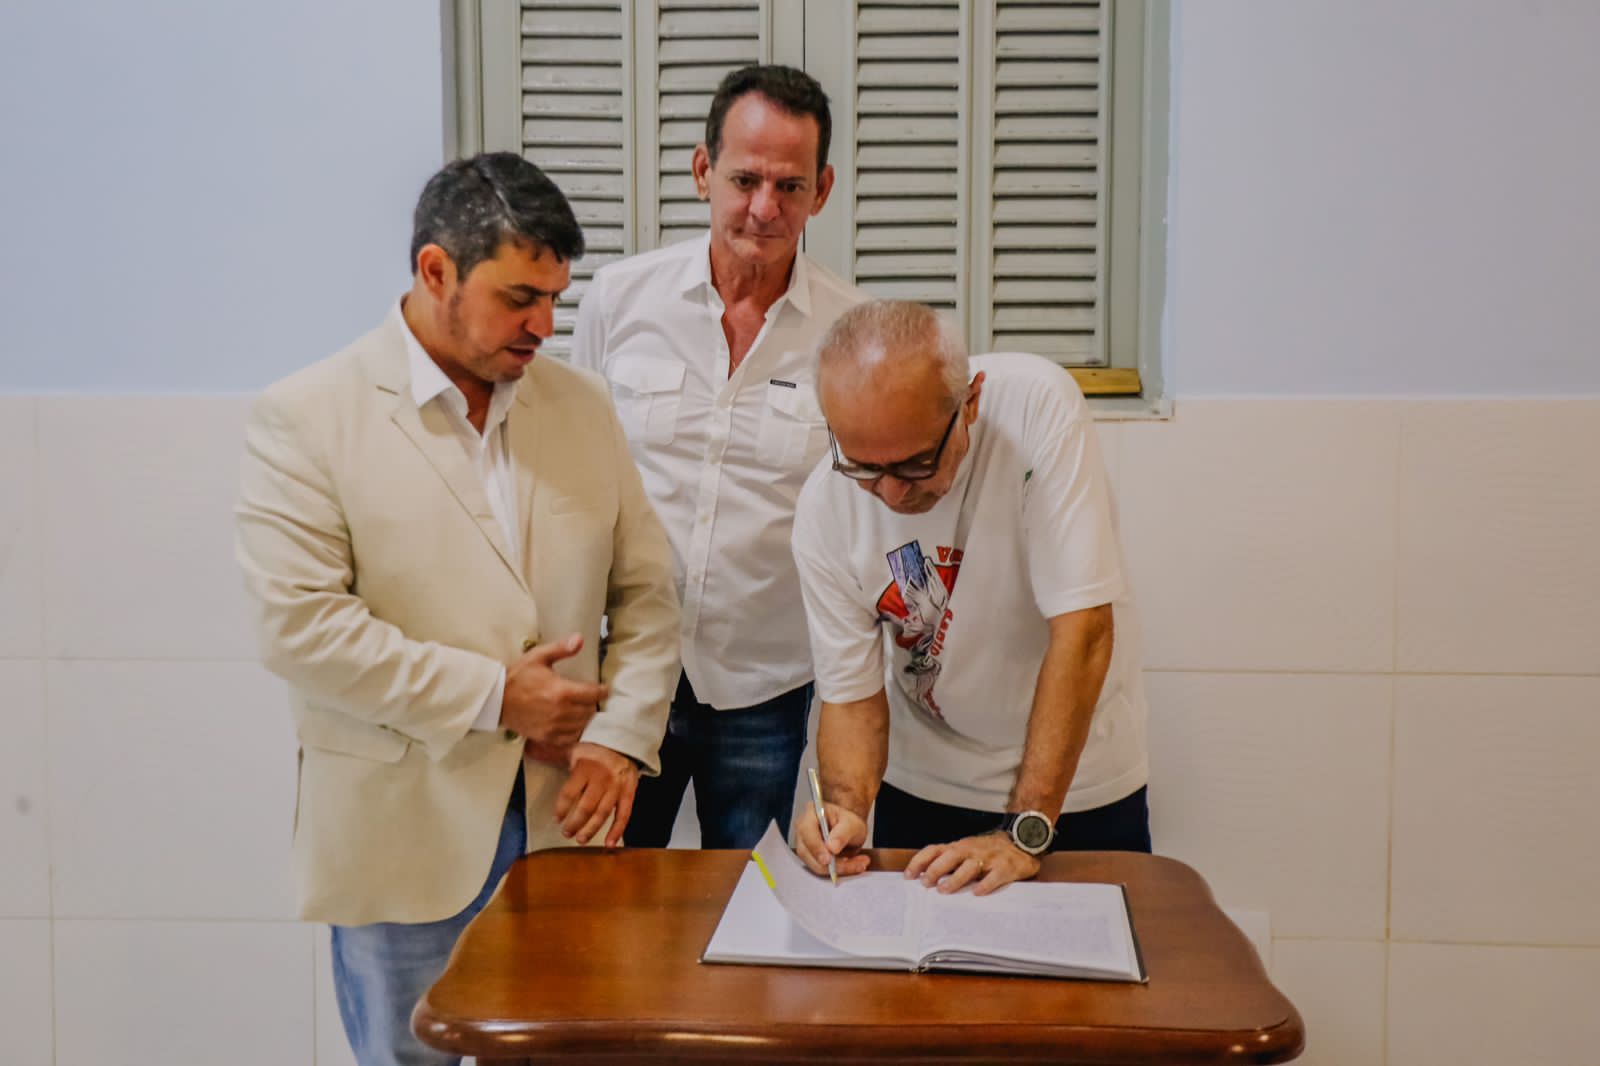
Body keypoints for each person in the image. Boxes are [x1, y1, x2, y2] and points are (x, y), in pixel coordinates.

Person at [234, 152, 679, 1066]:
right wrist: (495, 696)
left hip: (565, 826)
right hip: (402, 832)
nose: (544, 325)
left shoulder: (583, 406)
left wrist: (621, 738)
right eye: (519, 298)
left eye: (554, 298)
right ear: (436, 270)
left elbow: (647, 593)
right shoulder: (307, 417)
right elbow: (299, 627)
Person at [569, 65, 868, 848]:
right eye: (744, 180)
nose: (765, 208)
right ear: (703, 171)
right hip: (625, 673)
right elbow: (574, 476)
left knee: (749, 895)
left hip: (765, 684)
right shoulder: (618, 300)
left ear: (822, 190)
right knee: (608, 893)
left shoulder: (852, 333)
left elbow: (861, 516)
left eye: (790, 186)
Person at [790, 300, 1151, 896]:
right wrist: (845, 810)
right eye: (862, 467)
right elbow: (851, 697)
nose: (890, 494)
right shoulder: (823, 508)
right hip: (925, 781)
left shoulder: (1037, 407)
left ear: (971, 403)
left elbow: (1083, 630)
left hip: (1076, 787)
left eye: (915, 464)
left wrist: (1024, 832)